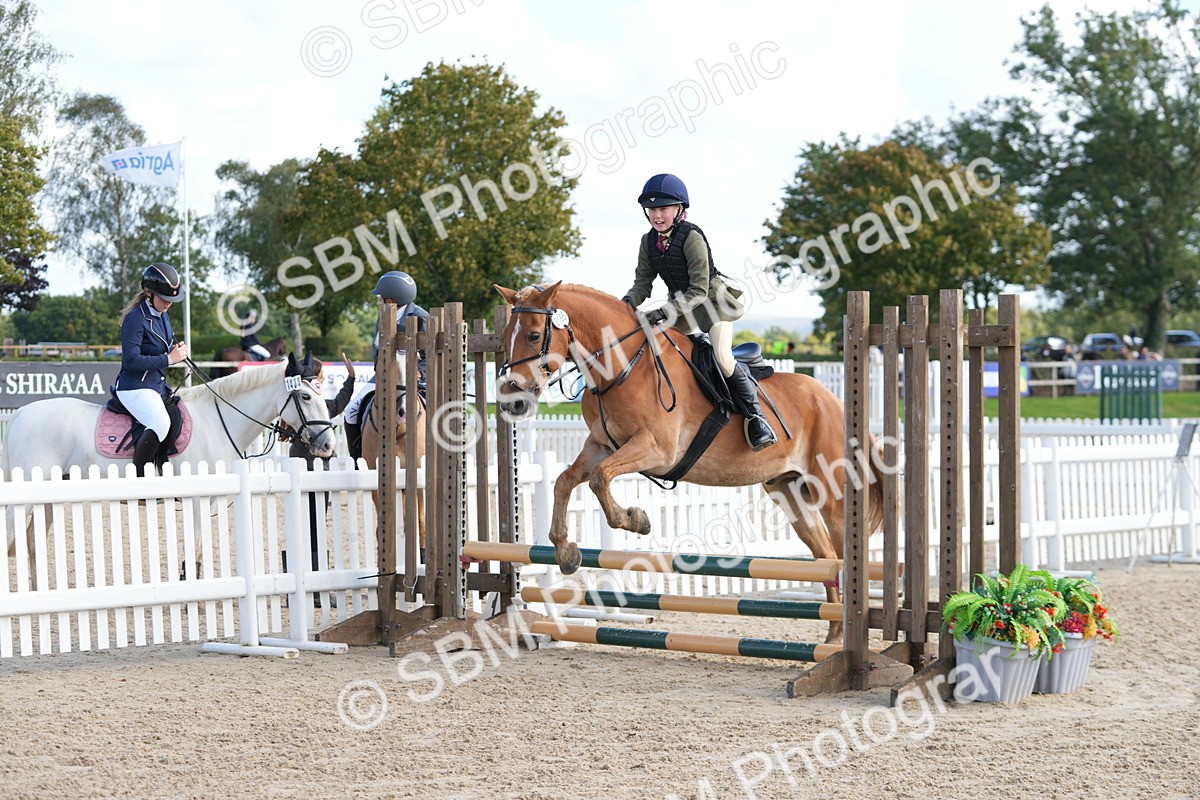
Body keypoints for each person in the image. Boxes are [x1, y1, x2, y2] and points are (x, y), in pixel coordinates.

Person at [622, 173, 776, 451]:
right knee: (650, 345)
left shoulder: (691, 237)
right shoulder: (648, 242)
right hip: (682, 307)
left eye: (664, 209)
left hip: (714, 305)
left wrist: (664, 311)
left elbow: (699, 291)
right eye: (653, 209)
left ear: (679, 210)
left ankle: (757, 419)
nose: (657, 215)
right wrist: (625, 304)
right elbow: (642, 284)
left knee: (722, 357)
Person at [286, 353, 356, 599]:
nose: (324, 378)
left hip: (303, 462)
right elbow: (337, 404)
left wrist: (351, 379)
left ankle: (300, 583)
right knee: (312, 527)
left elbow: (339, 403)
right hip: (310, 464)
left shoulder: (309, 407)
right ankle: (313, 587)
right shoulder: (314, 407)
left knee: (303, 527)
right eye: (321, 375)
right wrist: (350, 380)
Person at [345, 271, 429, 461]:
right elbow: (377, 348)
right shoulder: (382, 316)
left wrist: (419, 372)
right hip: (383, 377)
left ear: (391, 299)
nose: (379, 302)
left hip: (415, 378)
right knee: (351, 412)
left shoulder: (421, 318)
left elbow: (429, 354)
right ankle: (357, 460)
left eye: (381, 298)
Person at [115, 262, 189, 477]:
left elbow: (162, 347)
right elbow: (131, 361)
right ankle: (138, 481)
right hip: (134, 387)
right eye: (164, 298)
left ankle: (162, 468)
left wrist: (176, 350)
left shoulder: (163, 315)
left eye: (172, 299)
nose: (168, 303)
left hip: (156, 385)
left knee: (178, 415)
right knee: (160, 422)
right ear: (148, 292)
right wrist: (168, 358)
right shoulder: (135, 319)